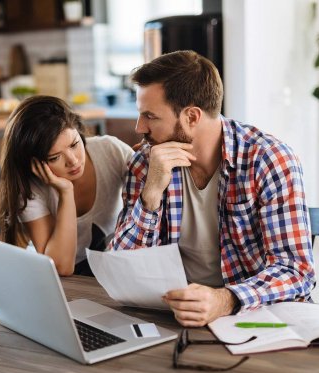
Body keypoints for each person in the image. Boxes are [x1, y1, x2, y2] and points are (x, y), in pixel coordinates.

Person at [110, 50, 315, 327]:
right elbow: (121, 268)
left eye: (150, 116)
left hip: (254, 316)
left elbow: (296, 271)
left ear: (192, 117)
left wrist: (224, 299)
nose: (139, 127)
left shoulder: (268, 160)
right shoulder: (146, 163)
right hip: (175, 316)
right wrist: (151, 195)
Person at [0, 95, 133, 276]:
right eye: (55, 157)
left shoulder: (111, 151)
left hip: (110, 273)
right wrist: (65, 192)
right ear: (34, 162)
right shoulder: (30, 189)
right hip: (56, 281)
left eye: (74, 144)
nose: (73, 161)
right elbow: (61, 267)